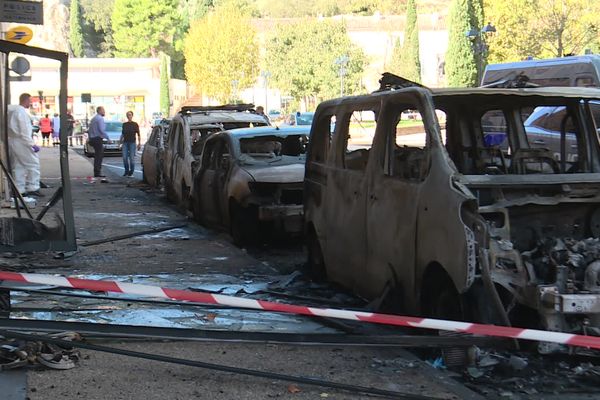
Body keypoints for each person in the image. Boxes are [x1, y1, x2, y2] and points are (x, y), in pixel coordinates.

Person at [7, 93, 42, 197]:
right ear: (25, 100)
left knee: (18, 165)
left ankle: (19, 189)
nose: (31, 103)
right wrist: (31, 144)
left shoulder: (12, 111)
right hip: (22, 141)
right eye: (30, 101)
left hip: (13, 140)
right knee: (33, 164)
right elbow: (24, 130)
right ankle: (33, 187)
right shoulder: (21, 112)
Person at [88, 106, 109, 177]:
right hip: (97, 139)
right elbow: (101, 130)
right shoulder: (100, 119)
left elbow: (90, 130)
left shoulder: (94, 118)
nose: (104, 112)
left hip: (92, 138)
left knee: (97, 155)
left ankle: (96, 171)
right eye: (103, 110)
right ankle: (97, 172)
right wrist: (108, 138)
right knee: (99, 156)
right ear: (99, 111)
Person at [120, 111, 141, 177]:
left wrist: (139, 143)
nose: (129, 116)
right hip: (125, 142)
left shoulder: (135, 124)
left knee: (132, 158)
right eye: (128, 115)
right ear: (127, 116)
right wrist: (120, 142)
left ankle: (131, 172)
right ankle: (126, 171)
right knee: (124, 157)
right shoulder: (124, 124)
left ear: (132, 116)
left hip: (132, 143)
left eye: (130, 115)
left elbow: (138, 134)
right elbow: (122, 134)